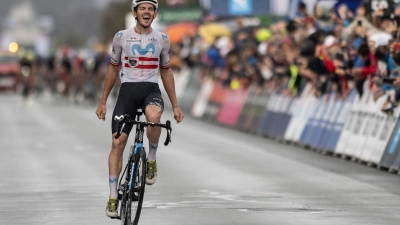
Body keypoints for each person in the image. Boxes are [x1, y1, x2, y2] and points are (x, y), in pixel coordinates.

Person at [95, 0, 184, 218]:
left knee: (154, 117)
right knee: (118, 143)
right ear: (134, 13)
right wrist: (103, 101)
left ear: (154, 15)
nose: (147, 12)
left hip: (150, 91)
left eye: (151, 9)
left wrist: (175, 104)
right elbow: (113, 69)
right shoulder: (121, 37)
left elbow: (166, 72)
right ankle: (113, 197)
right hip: (127, 93)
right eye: (142, 8)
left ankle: (151, 159)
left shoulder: (162, 39)